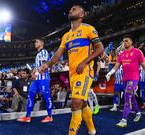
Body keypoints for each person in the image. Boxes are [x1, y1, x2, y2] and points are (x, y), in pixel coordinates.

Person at [40, 5, 104, 135]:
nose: (70, 10)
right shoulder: (66, 36)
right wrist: (47, 65)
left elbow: (100, 48)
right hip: (72, 74)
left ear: (82, 14)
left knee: (75, 103)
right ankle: (92, 130)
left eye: (74, 9)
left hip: (85, 71)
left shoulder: (88, 29)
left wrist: (84, 62)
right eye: (70, 9)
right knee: (82, 102)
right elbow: (58, 55)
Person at [106, 35, 145, 128]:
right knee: (132, 97)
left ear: (131, 42)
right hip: (125, 79)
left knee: (127, 97)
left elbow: (144, 66)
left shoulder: (137, 52)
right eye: (123, 41)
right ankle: (138, 113)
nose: (125, 43)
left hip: (134, 78)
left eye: (126, 41)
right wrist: (110, 73)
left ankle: (124, 120)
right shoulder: (122, 54)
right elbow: (116, 66)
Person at [18, 37, 53, 123]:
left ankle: (50, 116)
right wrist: (33, 72)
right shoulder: (38, 54)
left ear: (42, 43)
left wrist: (35, 74)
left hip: (43, 79)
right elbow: (37, 66)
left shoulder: (44, 52)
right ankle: (27, 117)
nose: (35, 43)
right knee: (30, 95)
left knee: (46, 97)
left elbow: (44, 65)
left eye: (37, 42)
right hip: (37, 80)